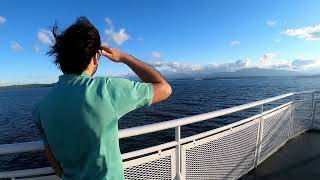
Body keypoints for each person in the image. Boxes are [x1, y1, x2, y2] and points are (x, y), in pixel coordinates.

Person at [33, 17, 172, 180]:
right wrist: (125, 57)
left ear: (61, 59)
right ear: (95, 58)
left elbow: (54, 162)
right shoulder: (106, 89)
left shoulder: (41, 108)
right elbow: (164, 88)